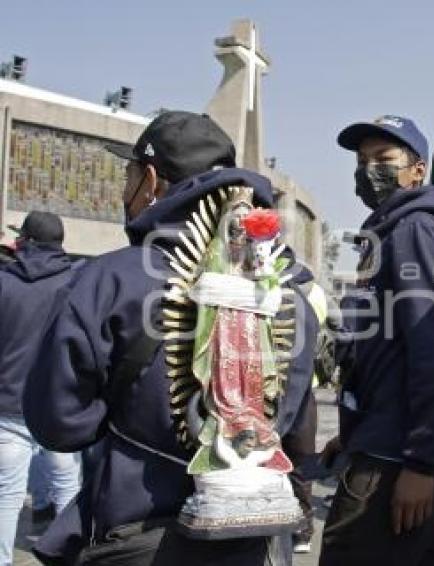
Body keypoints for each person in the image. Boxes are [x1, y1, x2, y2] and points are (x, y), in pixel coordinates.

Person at [23, 111, 318, 565]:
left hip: (135, 531)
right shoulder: (290, 296)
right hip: (251, 539)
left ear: (153, 180)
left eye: (129, 175)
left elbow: (58, 423)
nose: (126, 189)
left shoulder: (111, 279)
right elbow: (289, 417)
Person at [319, 115, 434, 566]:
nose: (370, 169)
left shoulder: (415, 230)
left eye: (384, 158)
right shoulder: (390, 233)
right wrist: (353, 432)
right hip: (383, 440)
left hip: (399, 458)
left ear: (417, 170)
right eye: (362, 160)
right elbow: (381, 352)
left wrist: (419, 464)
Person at [0, 211, 81, 565]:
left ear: (25, 242)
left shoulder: (4, 281)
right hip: (60, 406)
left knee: (6, 497)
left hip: (9, 406)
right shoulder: (78, 281)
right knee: (68, 491)